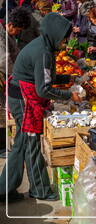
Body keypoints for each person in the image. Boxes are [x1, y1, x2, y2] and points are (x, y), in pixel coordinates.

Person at [0, 13, 81, 203]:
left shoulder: (44, 46)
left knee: (21, 144)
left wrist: (66, 79)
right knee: (31, 145)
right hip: (24, 101)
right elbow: (43, 88)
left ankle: (4, 189)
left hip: (21, 96)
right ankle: (40, 189)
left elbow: (43, 77)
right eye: (63, 38)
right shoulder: (43, 52)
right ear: (54, 33)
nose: (64, 42)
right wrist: (70, 95)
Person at [0, 7, 31, 159]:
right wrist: (18, 75)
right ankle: (1, 147)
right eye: (17, 30)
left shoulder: (7, 34)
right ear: (10, 25)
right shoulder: (0, 35)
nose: (18, 33)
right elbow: (4, 60)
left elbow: (16, 53)